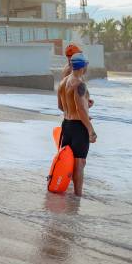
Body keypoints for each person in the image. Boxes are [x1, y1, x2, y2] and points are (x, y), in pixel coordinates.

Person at [57, 53, 96, 196]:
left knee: (68, 162)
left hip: (66, 125)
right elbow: (80, 110)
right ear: (83, 66)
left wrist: (86, 105)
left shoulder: (63, 82)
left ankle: (66, 189)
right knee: (79, 163)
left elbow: (61, 106)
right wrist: (91, 130)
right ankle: (78, 196)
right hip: (79, 128)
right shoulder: (80, 84)